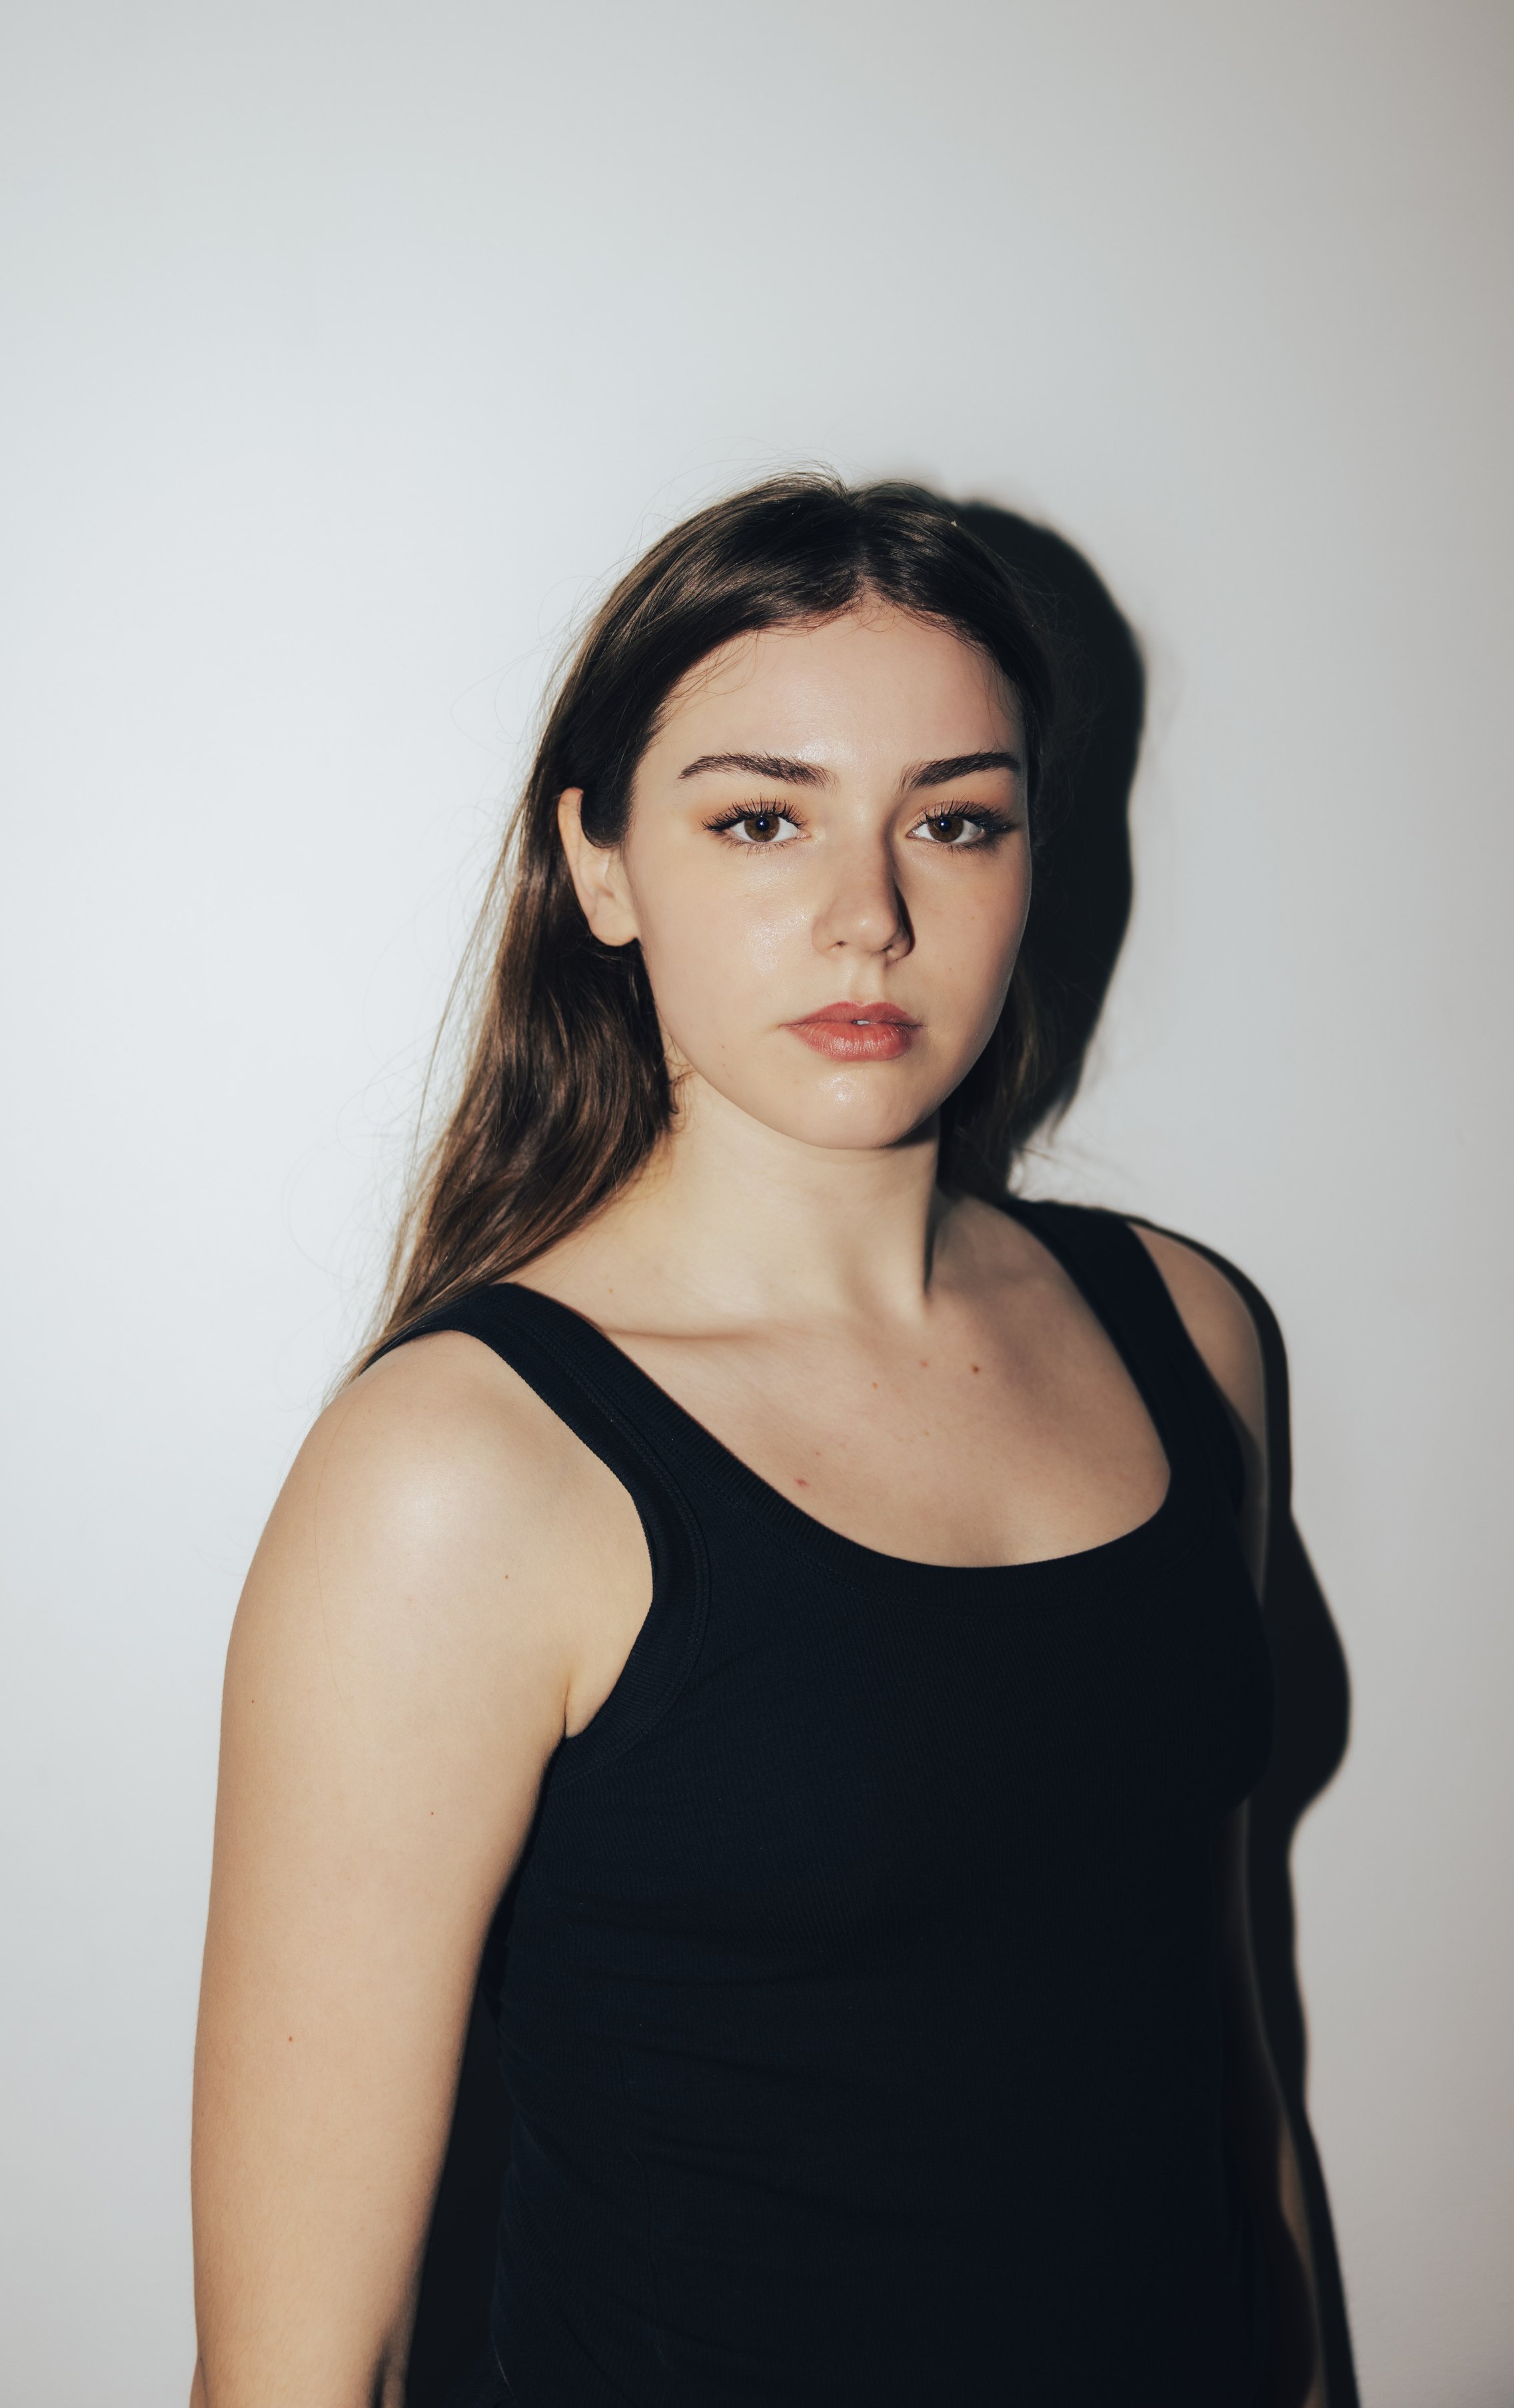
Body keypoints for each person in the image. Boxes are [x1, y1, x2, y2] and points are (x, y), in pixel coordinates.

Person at [189, 474, 1326, 2407]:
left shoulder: (1185, 1332)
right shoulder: (464, 1473)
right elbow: (300, 2367)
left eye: (953, 820)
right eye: (760, 819)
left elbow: (1223, 2060)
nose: (869, 915)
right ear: (602, 868)